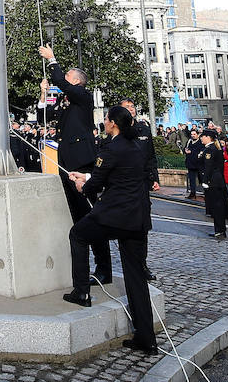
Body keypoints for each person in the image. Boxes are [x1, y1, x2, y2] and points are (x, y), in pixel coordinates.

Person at [63, 106, 157, 355]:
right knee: (136, 278)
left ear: (113, 123)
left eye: (106, 119)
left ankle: (81, 290)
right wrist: (86, 176)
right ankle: (146, 338)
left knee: (78, 235)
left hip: (115, 216)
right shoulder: (137, 146)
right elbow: (114, 175)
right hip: (137, 219)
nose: (103, 122)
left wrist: (82, 183)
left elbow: (96, 184)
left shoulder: (111, 148)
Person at [38, 44, 109, 284]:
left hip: (82, 162)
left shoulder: (83, 97)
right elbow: (43, 116)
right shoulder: (67, 101)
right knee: (77, 216)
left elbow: (62, 82)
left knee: (90, 213)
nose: (63, 80)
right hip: (66, 162)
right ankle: (81, 264)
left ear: (77, 82)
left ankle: (103, 268)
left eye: (68, 76)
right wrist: (43, 94)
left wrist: (52, 59)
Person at [198, 128, 228, 239]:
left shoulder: (210, 150)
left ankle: (220, 231)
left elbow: (209, 167)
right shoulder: (211, 148)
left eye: (203, 136)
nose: (201, 138)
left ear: (208, 137)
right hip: (216, 181)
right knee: (216, 208)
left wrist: (205, 181)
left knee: (217, 207)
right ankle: (219, 230)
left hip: (213, 182)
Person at [184, 130, 203, 198]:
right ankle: (192, 193)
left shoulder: (200, 142)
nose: (193, 135)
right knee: (192, 179)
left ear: (197, 135)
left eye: (194, 134)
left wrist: (191, 152)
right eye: (192, 134)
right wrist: (185, 150)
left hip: (198, 164)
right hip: (190, 163)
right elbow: (185, 148)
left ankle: (206, 193)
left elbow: (200, 151)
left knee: (202, 179)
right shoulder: (189, 141)